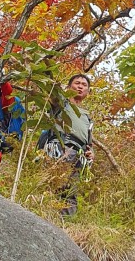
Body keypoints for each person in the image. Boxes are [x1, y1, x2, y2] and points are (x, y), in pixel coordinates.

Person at [39, 73, 94, 216]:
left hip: (78, 156)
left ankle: (65, 224)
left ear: (88, 91)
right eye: (77, 83)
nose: (80, 86)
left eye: (84, 85)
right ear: (69, 87)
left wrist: (90, 154)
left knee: (70, 192)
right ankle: (45, 216)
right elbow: (51, 89)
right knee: (54, 185)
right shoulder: (61, 104)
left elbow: (89, 143)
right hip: (60, 148)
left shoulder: (87, 117)